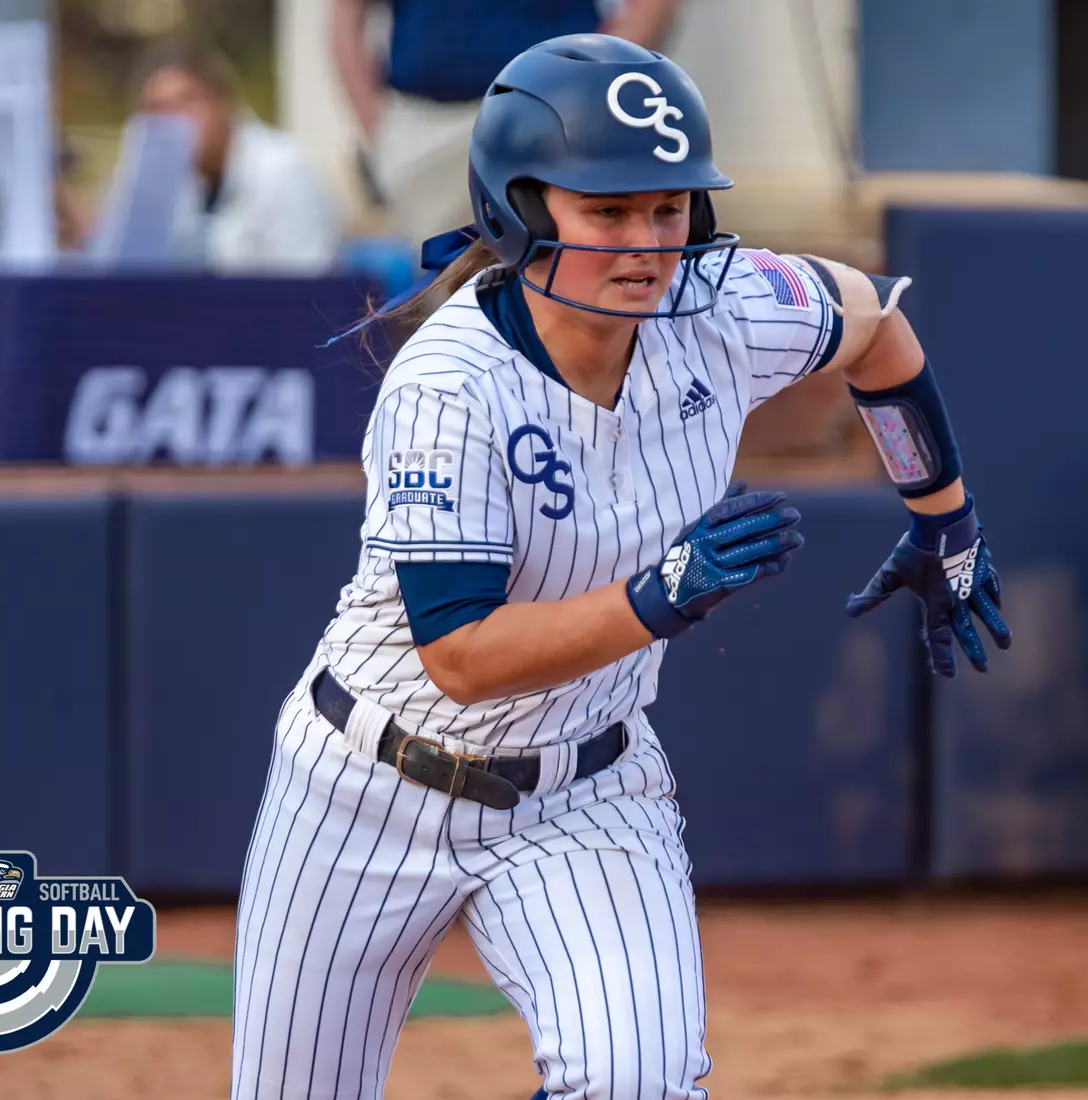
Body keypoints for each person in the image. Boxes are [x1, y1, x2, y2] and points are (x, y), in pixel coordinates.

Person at [231, 34, 1009, 1099]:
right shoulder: (449, 384)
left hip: (584, 791)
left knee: (640, 1082)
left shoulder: (726, 304)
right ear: (520, 210)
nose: (647, 241)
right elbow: (459, 652)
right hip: (363, 784)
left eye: (669, 206)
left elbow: (878, 328)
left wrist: (944, 517)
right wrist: (663, 594)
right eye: (608, 210)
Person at [331, 0, 679, 244]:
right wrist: (382, 131)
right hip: (426, 129)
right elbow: (347, 14)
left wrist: (594, 90)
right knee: (444, 294)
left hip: (557, 121)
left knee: (556, 279)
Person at [134, 38, 346, 274]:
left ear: (223, 100)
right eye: (157, 108)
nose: (172, 120)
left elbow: (311, 292)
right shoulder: (170, 183)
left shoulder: (283, 171)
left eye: (186, 101)